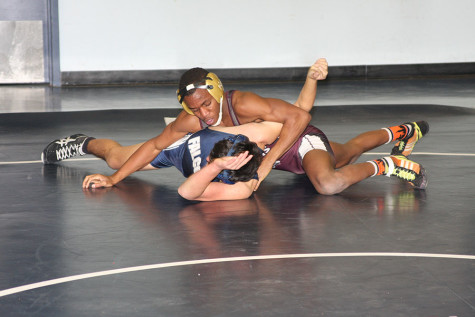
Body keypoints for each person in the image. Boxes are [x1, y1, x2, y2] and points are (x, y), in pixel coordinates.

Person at [41, 59, 329, 189]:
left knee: (335, 157)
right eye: (194, 108)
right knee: (116, 159)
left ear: (217, 93)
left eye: (207, 104)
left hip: (216, 163)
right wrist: (115, 180)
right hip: (186, 154)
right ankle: (83, 142)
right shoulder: (189, 120)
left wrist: (311, 79)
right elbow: (155, 144)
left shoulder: (242, 104)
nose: (203, 114)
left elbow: (300, 115)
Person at [176, 119, 429, 201]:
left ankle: (388, 165)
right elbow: (189, 191)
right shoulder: (217, 158)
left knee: (328, 183)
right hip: (293, 159)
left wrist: (265, 164)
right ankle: (406, 131)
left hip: (300, 140)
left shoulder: (238, 130)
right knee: (350, 151)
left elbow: (295, 120)